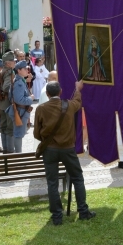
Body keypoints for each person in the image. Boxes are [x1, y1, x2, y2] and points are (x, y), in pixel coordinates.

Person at [34, 80, 96, 224]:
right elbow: (77, 101)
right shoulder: (68, 106)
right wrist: (78, 88)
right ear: (60, 92)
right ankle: (83, 211)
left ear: (47, 94)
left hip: (49, 150)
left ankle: (57, 216)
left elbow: (37, 133)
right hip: (68, 149)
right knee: (78, 178)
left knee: (52, 182)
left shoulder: (41, 108)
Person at [6, 60, 34, 153]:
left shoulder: (20, 80)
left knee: (19, 134)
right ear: (19, 70)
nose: (27, 70)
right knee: (18, 134)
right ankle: (18, 157)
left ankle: (17, 156)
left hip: (20, 111)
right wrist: (31, 99)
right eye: (25, 69)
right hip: (20, 111)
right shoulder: (19, 83)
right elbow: (19, 100)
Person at [0, 51, 16, 153]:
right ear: (8, 63)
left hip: (2, 103)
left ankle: (5, 148)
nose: (14, 62)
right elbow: (6, 87)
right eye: (13, 61)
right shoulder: (10, 72)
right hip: (8, 103)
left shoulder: (2, 71)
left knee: (4, 126)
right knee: (10, 127)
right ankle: (10, 150)